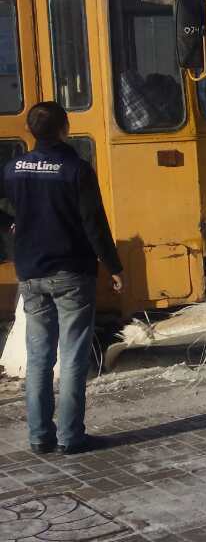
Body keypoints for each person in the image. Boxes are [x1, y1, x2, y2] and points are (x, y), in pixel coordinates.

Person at [1, 102, 123, 455]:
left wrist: (9, 226)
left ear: (31, 131)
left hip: (30, 274)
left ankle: (40, 436)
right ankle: (71, 437)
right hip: (71, 274)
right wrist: (114, 266)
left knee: (38, 358)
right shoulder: (75, 169)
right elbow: (94, 224)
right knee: (72, 357)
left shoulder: (13, 169)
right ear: (64, 128)